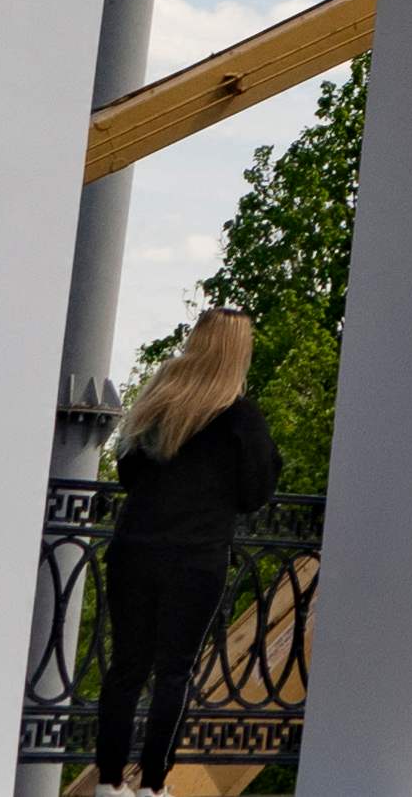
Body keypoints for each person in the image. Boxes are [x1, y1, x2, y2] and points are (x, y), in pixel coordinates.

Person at [88, 308, 278, 795]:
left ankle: (108, 783)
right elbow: (254, 491)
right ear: (239, 352)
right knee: (175, 671)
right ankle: (153, 785)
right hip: (196, 557)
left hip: (135, 549)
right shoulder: (240, 417)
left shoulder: (160, 401)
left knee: (127, 666)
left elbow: (128, 472)